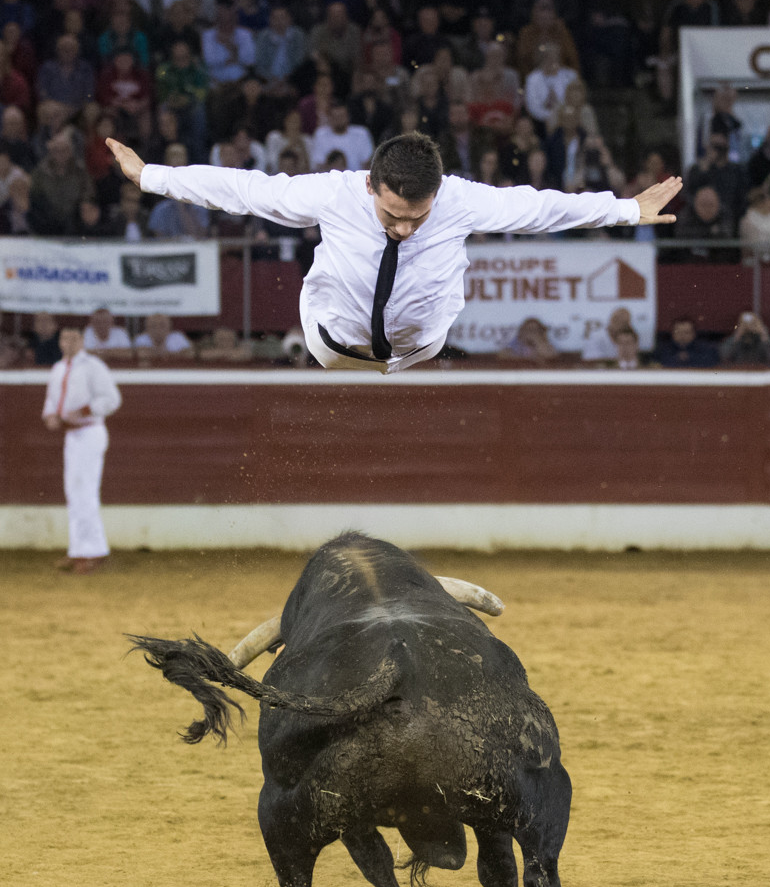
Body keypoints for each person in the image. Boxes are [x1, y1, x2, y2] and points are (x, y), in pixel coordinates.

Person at [106, 130, 682, 374]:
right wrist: (151, 176)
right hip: (331, 342)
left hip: (420, 343)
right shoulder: (333, 191)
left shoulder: (459, 200)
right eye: (392, 215)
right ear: (369, 187)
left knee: (461, 261)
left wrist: (628, 209)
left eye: (418, 216)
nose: (404, 229)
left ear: (437, 192)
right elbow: (244, 191)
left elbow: (543, 208)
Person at [41, 325, 122, 574]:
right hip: (72, 435)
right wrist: (50, 416)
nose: (69, 342)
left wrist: (85, 410)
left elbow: (111, 399)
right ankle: (82, 550)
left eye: (74, 338)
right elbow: (52, 401)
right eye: (65, 338)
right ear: (60, 341)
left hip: (89, 431)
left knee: (83, 491)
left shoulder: (93, 366)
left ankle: (88, 552)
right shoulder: (58, 368)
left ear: (82, 340)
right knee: (76, 492)